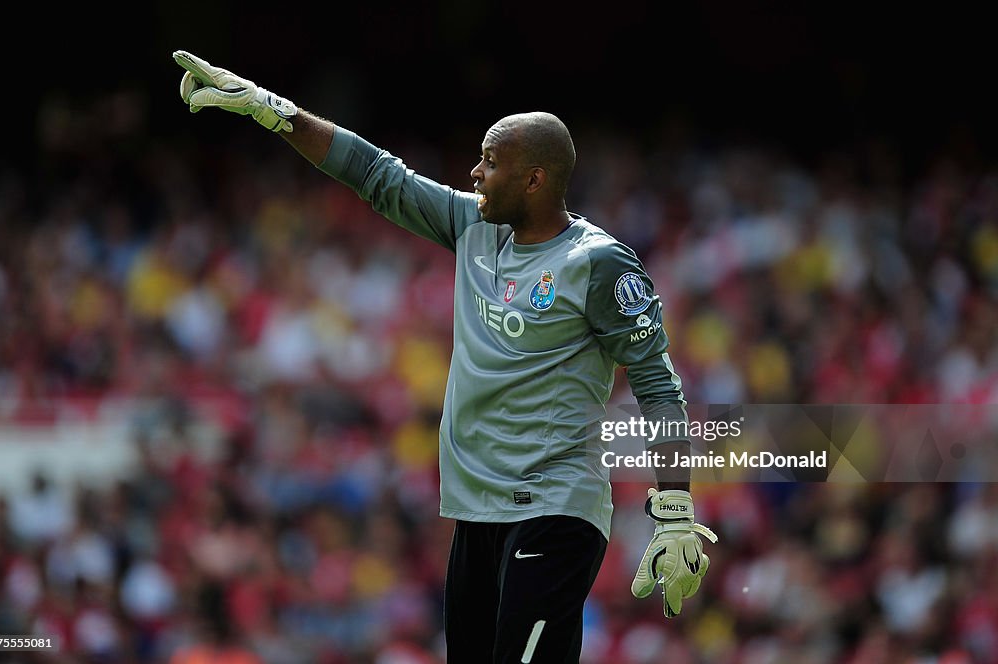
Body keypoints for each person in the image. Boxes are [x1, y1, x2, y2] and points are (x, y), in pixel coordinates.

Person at [172, 50, 717, 663]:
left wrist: (673, 511)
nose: (474, 174)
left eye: (490, 162)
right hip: (476, 513)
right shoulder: (473, 227)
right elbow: (377, 175)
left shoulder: (598, 264)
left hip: (555, 510)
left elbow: (658, 384)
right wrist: (275, 112)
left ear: (535, 180)